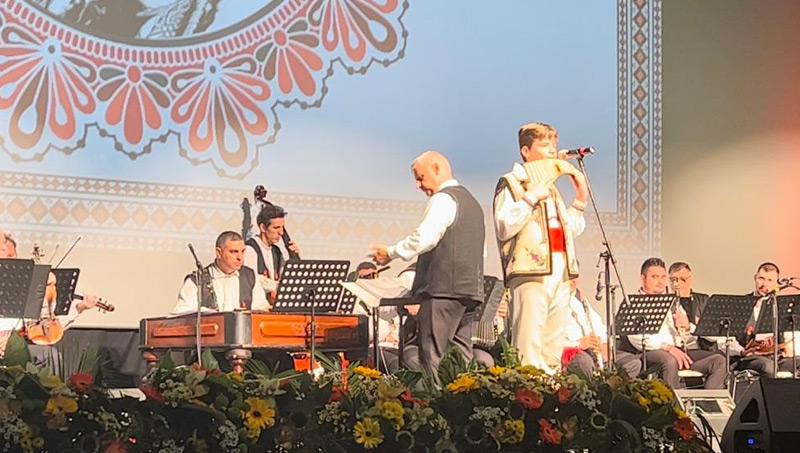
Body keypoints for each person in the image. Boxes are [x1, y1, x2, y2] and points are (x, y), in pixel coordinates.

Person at [369, 150, 484, 383]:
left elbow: (424, 238)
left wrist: (391, 253)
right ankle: (462, 402)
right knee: (461, 362)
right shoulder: (473, 204)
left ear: (437, 169)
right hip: (470, 292)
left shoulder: (443, 199)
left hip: (443, 291)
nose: (418, 185)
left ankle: (436, 404)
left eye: (420, 178)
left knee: (433, 361)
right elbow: (481, 252)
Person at [493, 122, 589, 374]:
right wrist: (530, 197)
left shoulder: (552, 189)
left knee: (552, 345)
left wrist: (579, 201)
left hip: (560, 270)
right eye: (545, 145)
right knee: (529, 344)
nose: (552, 151)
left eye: (554, 145)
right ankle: (528, 393)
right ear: (526, 151)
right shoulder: (512, 183)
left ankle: (551, 392)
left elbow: (567, 231)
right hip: (531, 272)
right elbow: (504, 226)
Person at [623, 258, 727, 389]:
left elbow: (688, 339)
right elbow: (637, 339)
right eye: (655, 277)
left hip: (678, 350)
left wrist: (686, 327)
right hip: (651, 352)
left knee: (719, 361)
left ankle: (710, 400)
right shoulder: (633, 304)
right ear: (642, 279)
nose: (660, 281)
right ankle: (673, 402)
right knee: (669, 360)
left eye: (663, 277)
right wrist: (668, 348)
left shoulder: (672, 302)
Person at [562, 276, 643, 377]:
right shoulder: (552, 301)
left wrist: (604, 343)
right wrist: (578, 344)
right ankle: (594, 385)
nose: (574, 280)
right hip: (572, 351)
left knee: (633, 362)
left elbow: (597, 324)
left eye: (576, 276)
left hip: (593, 350)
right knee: (584, 362)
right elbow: (548, 341)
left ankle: (610, 387)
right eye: (570, 276)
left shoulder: (579, 297)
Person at [172, 231, 269, 314]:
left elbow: (261, 310)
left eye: (242, 251)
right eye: (234, 252)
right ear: (219, 252)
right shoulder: (197, 280)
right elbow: (180, 313)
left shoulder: (249, 276)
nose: (240, 257)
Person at [737, 262, 800, 375]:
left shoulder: (780, 305)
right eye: (761, 278)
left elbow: (787, 334)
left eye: (770, 280)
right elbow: (730, 338)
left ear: (777, 283)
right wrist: (741, 351)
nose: (764, 284)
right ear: (755, 278)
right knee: (768, 366)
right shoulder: (742, 304)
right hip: (751, 357)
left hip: (776, 356)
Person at [243, 204, 301, 306]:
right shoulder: (250, 249)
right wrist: (279, 286)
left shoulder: (276, 251)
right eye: (276, 227)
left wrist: (295, 259)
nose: (281, 232)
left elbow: (286, 277)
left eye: (282, 227)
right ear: (263, 228)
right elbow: (253, 279)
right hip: (257, 307)